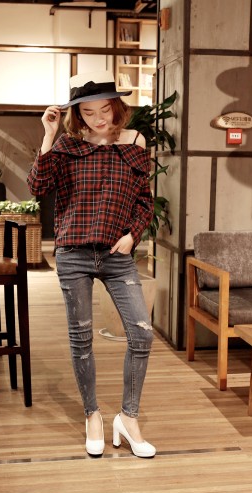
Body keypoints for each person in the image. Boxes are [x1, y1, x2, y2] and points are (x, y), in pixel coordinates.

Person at [27, 71, 156, 458]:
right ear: (77, 114)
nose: (99, 119)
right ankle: (92, 415)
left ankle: (128, 418)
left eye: (105, 110)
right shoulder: (66, 145)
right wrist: (48, 136)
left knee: (142, 335)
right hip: (74, 253)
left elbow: (145, 200)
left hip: (118, 254)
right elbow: (37, 187)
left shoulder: (135, 142)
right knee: (81, 340)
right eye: (88, 112)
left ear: (116, 106)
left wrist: (133, 234)